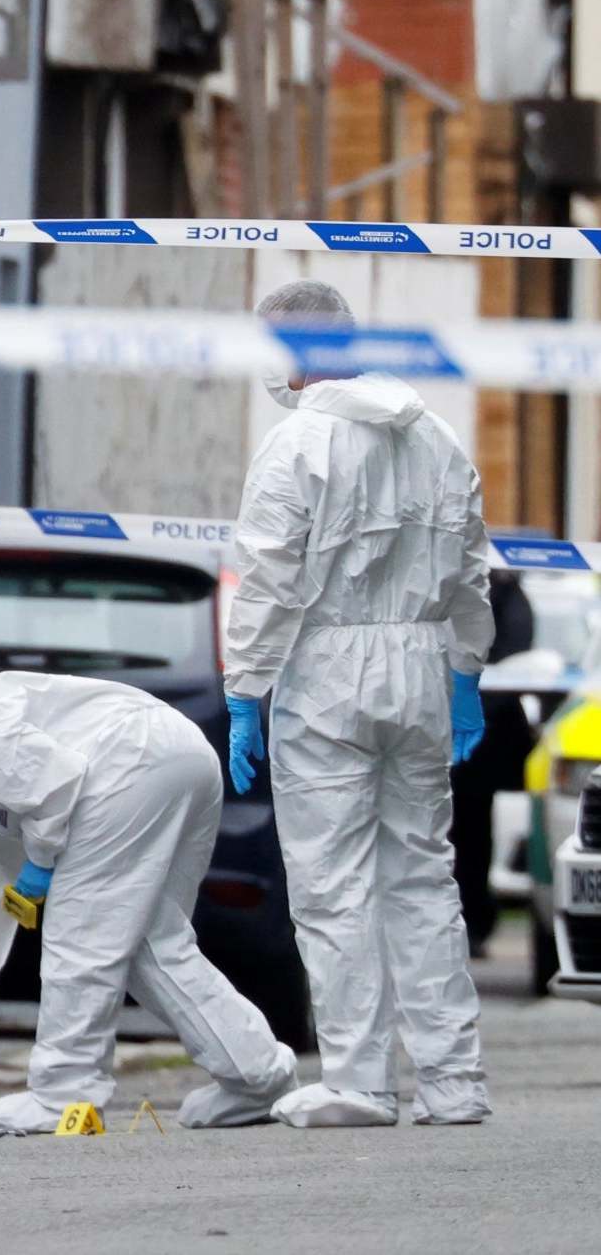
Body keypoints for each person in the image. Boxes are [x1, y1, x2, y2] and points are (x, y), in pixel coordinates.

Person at [224, 278, 494, 1127]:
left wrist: (245, 689)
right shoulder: (436, 435)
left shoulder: (296, 445)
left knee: (334, 884)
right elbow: (472, 561)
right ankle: (454, 1084)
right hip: (418, 665)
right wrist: (465, 670)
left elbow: (269, 579)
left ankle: (360, 1079)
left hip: (328, 672)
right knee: (421, 877)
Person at [0, 673, 298, 1134]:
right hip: (177, 757)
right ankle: (255, 1075)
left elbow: (56, 782)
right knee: (152, 944)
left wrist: (42, 860)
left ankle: (63, 1094)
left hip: (129, 764)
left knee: (80, 938)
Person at [449, 571, 540, 952]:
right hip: (433, 723)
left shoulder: (502, 587)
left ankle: (473, 923)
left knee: (470, 833)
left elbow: (515, 656)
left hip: (480, 738)